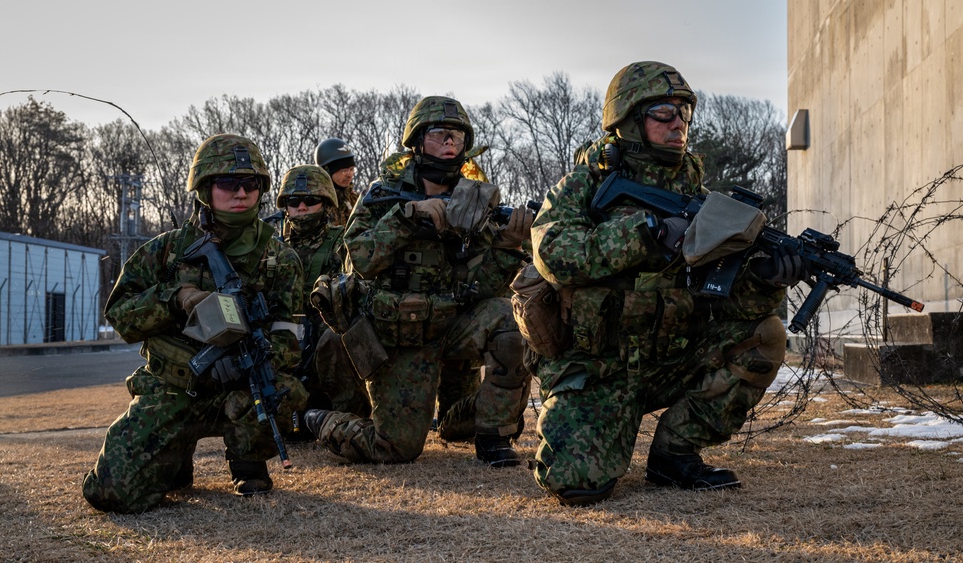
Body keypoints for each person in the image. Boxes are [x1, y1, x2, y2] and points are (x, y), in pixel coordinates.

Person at [527, 61, 808, 506]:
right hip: (598, 370)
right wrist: (648, 232)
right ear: (628, 121)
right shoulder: (586, 185)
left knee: (765, 334)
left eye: (685, 112)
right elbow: (553, 254)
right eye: (663, 112)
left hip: (670, 360)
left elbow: (729, 305)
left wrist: (766, 280)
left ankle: (675, 453)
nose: (679, 122)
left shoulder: (703, 202)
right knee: (574, 483)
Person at [82, 134, 308, 513]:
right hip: (174, 390)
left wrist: (251, 356)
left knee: (282, 391)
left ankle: (248, 462)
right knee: (111, 494)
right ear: (205, 188)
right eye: (227, 183)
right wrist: (174, 298)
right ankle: (173, 458)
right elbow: (120, 315)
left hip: (238, 391)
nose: (240, 193)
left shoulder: (281, 260)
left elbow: (289, 337)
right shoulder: (166, 251)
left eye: (250, 184)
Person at [305, 96, 532, 467]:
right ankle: (321, 419)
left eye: (457, 138)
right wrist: (407, 218)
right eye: (440, 135)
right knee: (395, 448)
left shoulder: (475, 201)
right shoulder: (382, 195)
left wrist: (508, 245)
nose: (449, 144)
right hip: (398, 334)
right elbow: (357, 260)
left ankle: (493, 435)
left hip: (452, 323)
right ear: (416, 142)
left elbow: (485, 287)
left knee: (509, 320)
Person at [275, 164, 370, 438]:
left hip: (326, 350)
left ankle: (349, 419)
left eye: (311, 200)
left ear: (325, 203)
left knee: (336, 337)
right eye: (294, 201)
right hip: (284, 349)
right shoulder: (271, 247)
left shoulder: (343, 243)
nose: (301, 207)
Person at [314, 137, 359, 226]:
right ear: (327, 171)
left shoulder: (357, 200)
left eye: (351, 169)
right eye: (344, 170)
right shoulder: (313, 204)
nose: (349, 174)